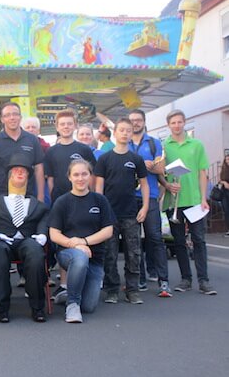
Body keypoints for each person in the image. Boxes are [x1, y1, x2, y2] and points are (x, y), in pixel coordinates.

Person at [0, 153, 50, 323]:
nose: (20, 173)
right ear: (9, 176)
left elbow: (44, 220)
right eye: (16, 171)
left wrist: (42, 234)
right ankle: (1, 307)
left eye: (23, 171)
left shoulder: (38, 205)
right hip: (2, 240)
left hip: (27, 240)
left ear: (28, 178)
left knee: (36, 254)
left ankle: (37, 307)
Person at [49, 159, 114, 323]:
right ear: (69, 177)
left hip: (95, 259)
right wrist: (76, 245)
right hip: (68, 254)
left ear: (90, 176)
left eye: (84, 174)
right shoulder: (62, 202)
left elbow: (108, 231)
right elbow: (54, 234)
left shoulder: (100, 201)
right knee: (80, 257)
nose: (80, 178)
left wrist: (83, 242)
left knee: (89, 307)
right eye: (76, 174)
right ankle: (72, 305)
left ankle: (69, 294)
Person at [44, 109, 96, 305]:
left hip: (83, 201)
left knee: (83, 237)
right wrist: (52, 198)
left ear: (75, 125)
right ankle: (65, 284)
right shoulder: (51, 151)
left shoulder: (84, 149)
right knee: (64, 242)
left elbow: (92, 175)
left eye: (69, 123)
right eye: (62, 124)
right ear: (57, 127)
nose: (66, 127)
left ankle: (85, 280)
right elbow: (50, 179)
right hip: (61, 202)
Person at [95, 117, 149, 305]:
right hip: (109, 214)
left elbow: (144, 184)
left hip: (131, 214)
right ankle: (112, 290)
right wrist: (99, 211)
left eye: (128, 130)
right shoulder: (104, 159)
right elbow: (99, 187)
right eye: (121, 130)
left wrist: (145, 206)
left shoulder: (136, 159)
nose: (125, 133)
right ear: (115, 133)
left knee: (133, 253)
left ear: (131, 133)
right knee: (109, 253)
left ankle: (132, 290)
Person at [162, 110, 216, 295]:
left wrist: (203, 198)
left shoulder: (196, 144)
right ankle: (186, 279)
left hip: (193, 200)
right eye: (173, 123)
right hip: (173, 201)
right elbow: (161, 173)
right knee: (178, 242)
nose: (176, 125)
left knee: (198, 240)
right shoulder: (164, 146)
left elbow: (202, 172)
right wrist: (168, 185)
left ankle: (204, 280)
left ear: (184, 123)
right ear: (168, 125)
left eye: (179, 122)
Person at [128, 109, 172, 297]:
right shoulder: (123, 143)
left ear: (144, 122)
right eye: (132, 121)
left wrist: (148, 165)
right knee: (134, 240)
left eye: (138, 120)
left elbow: (162, 167)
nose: (135, 123)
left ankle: (164, 281)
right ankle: (141, 279)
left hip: (151, 196)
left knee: (155, 238)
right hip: (129, 198)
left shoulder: (154, 143)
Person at [0, 102, 45, 201]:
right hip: (0, 196)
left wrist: (41, 196)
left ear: (20, 117)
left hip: (27, 195)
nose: (12, 117)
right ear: (2, 119)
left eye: (15, 114)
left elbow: (39, 168)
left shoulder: (32, 140)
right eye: (7, 115)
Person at [219, 154, 229, 237]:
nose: (227, 161)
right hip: (224, 193)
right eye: (226, 160)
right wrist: (224, 182)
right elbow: (220, 180)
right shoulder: (224, 170)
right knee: (226, 211)